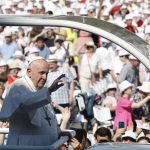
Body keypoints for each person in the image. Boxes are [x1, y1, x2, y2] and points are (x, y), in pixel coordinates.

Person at [0, 56, 65, 146]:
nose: (45, 77)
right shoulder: (18, 86)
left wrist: (58, 132)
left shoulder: (40, 90)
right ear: (29, 72)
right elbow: (27, 102)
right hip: (24, 145)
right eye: (41, 73)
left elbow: (48, 119)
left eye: (47, 73)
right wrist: (49, 90)